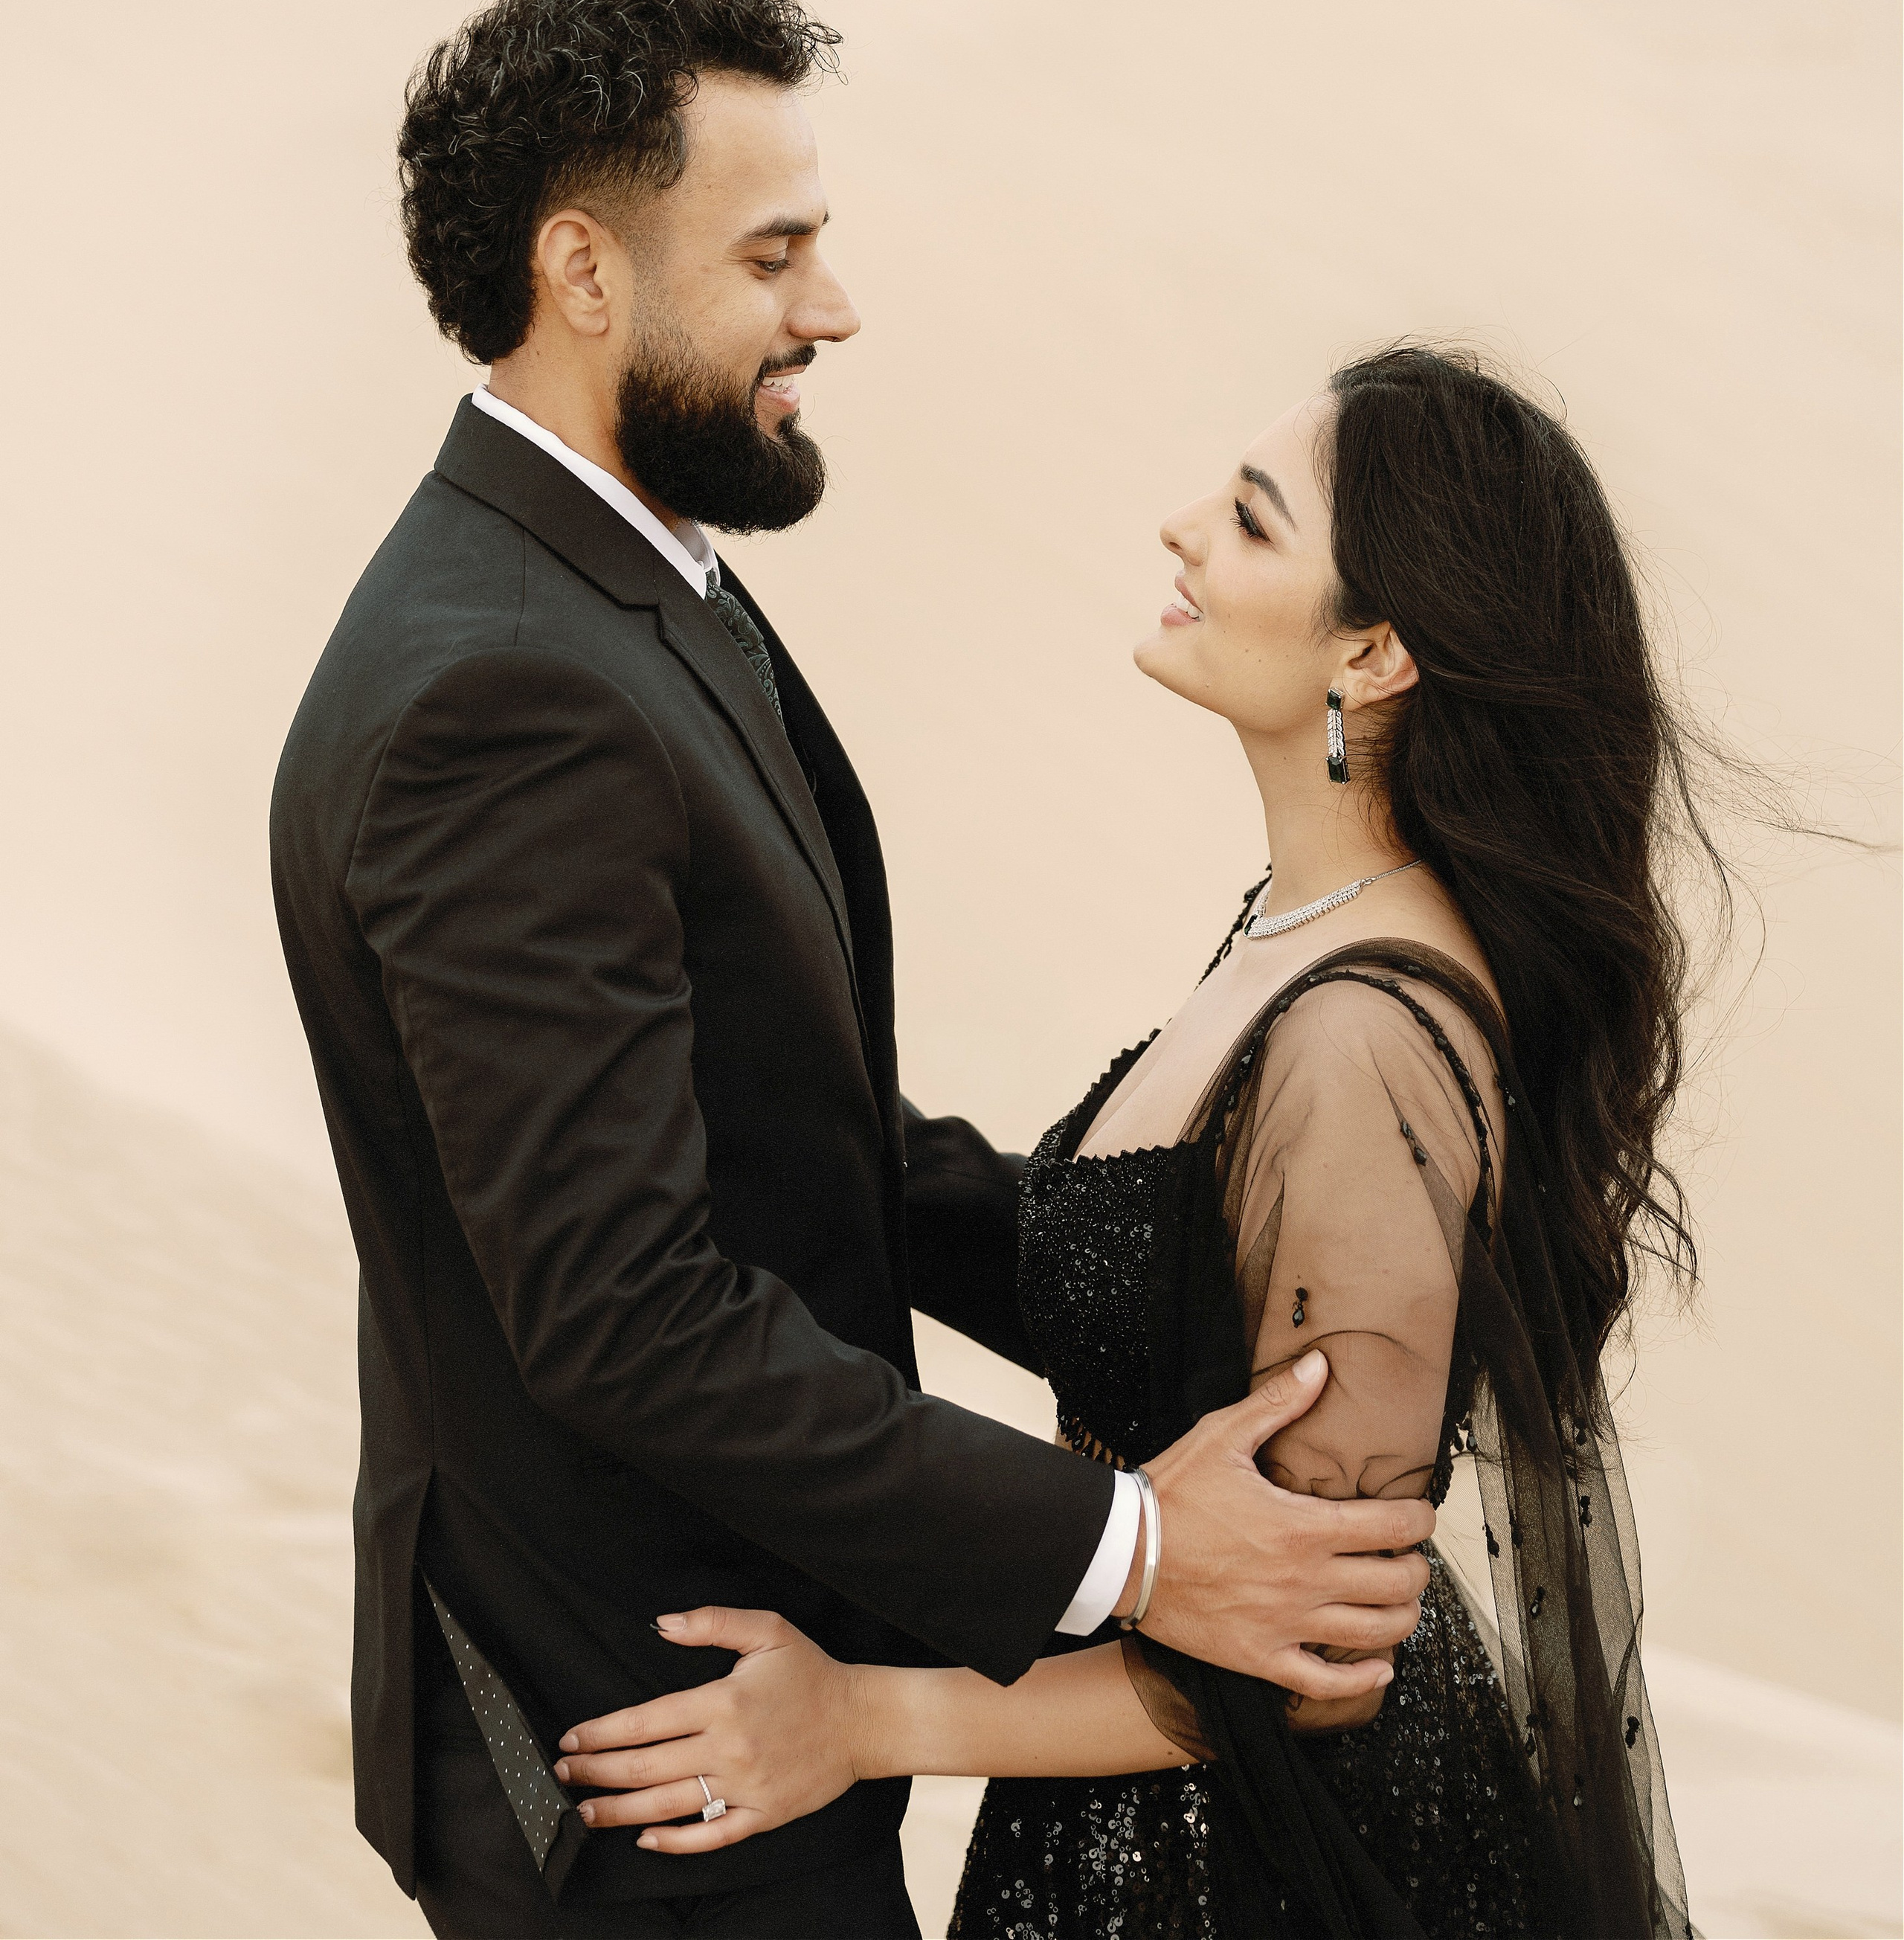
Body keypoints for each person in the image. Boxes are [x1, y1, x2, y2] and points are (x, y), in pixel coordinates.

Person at [269, 0, 1438, 1940]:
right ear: (587, 274)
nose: (835, 305)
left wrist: (1181, 1309)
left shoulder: (623, 590)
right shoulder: (506, 698)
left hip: (735, 1692)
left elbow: (810, 1141)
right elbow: (626, 1309)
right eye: (777, 251)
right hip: (637, 1752)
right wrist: (1143, 1553)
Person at [553, 345, 1703, 1940]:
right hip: (1126, 1823)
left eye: (1244, 519)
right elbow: (1139, 1281)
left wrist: (865, 1719)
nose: (1178, 529)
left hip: (1244, 1873)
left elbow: (1310, 1666)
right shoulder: (1301, 928)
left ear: (1368, 653)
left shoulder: (1364, 1043)